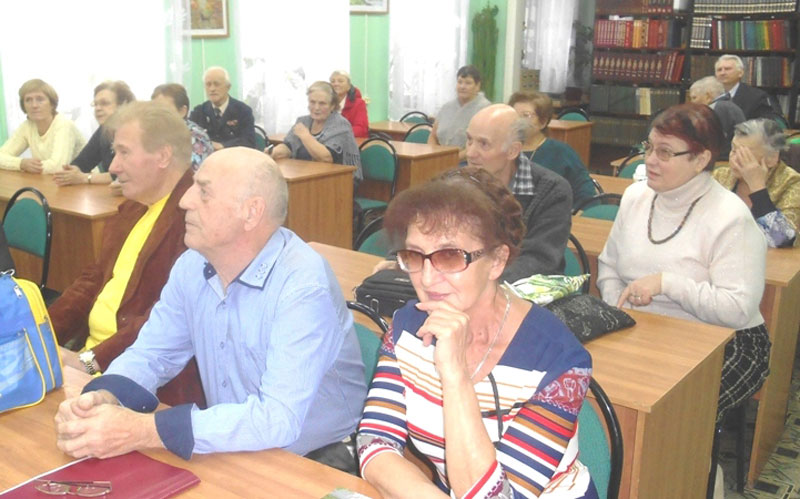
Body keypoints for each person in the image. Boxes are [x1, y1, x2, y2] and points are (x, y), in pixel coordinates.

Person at [54, 147, 367, 467]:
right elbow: (153, 354)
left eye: (203, 192)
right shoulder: (192, 265)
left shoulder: (303, 285)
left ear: (251, 212)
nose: (184, 201)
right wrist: (105, 397)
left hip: (318, 460)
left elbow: (277, 419)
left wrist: (142, 430)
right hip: (234, 444)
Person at [357, 166, 595, 498]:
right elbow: (375, 442)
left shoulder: (559, 360)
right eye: (414, 255)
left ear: (497, 261)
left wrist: (455, 375)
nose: (427, 278)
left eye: (450, 256)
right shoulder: (408, 326)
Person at [598, 103, 770, 423]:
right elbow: (608, 265)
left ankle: (691, 457)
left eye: (665, 152)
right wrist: (616, 307)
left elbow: (738, 309)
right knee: (589, 390)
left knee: (673, 416)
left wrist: (667, 284)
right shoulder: (636, 197)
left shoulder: (730, 217)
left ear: (701, 159)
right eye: (649, 147)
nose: (650, 160)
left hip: (727, 340)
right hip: (643, 329)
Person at [48, 101, 205, 407]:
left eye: (124, 152)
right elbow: (92, 280)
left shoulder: (195, 222)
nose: (113, 166)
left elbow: (165, 323)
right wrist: (40, 338)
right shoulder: (133, 207)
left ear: (163, 156)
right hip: (87, 360)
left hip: (143, 383)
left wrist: (87, 362)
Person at [466, 104, 572, 280]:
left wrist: (480, 282)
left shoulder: (552, 190)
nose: (470, 153)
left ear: (512, 151)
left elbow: (539, 261)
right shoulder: (456, 185)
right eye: (469, 140)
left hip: (521, 290)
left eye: (483, 144)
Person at [713, 118, 800, 247]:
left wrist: (757, 188)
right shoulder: (720, 176)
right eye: (733, 150)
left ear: (772, 158)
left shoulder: (793, 183)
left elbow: (781, 240)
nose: (734, 159)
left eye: (744, 154)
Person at [508, 91, 596, 209]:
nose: (518, 121)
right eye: (514, 115)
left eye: (526, 115)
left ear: (543, 122)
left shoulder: (561, 152)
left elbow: (586, 194)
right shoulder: (502, 150)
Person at [270, 81, 363, 183]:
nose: (316, 108)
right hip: (306, 177)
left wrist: (305, 136)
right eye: (312, 102)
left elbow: (326, 158)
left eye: (322, 103)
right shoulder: (303, 121)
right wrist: (272, 153)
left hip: (340, 181)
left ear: (332, 106)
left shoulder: (340, 124)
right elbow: (288, 146)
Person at [53, 81, 135, 186]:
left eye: (104, 103)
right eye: (95, 104)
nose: (98, 108)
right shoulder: (104, 130)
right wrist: (72, 171)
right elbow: (83, 162)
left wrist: (85, 178)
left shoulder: (134, 132)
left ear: (123, 106)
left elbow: (126, 173)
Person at [0, 79, 85, 174]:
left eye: (40, 99)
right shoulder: (27, 126)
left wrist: (28, 167)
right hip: (49, 179)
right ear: (23, 106)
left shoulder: (64, 125)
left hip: (85, 180)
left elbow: (58, 167)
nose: (34, 105)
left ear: (52, 104)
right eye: (28, 100)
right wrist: (21, 163)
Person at [429, 65, 491, 162]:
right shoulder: (446, 107)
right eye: (460, 82)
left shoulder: (485, 109)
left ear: (477, 86)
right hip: (439, 161)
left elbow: (480, 145)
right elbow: (433, 136)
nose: (462, 86)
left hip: (468, 163)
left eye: (468, 83)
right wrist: (432, 156)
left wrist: (451, 160)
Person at [189, 66, 256, 150]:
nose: (212, 89)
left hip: (233, 156)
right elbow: (189, 139)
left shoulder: (243, 111)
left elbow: (249, 141)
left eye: (216, 84)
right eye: (208, 84)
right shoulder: (199, 111)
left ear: (228, 87)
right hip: (208, 157)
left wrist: (223, 146)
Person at [151, 83, 214, 170]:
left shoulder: (197, 137)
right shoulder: (153, 134)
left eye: (165, 111)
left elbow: (192, 174)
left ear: (182, 111)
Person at [688, 76, 746, 159]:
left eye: (694, 98)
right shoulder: (728, 105)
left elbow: (712, 141)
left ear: (708, 96)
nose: (691, 102)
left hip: (722, 161)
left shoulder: (717, 108)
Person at [715, 54, 783, 122]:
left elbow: (765, 123)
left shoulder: (756, 96)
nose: (722, 73)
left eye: (727, 69)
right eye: (719, 70)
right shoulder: (713, 96)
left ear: (740, 73)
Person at [330, 70, 369, 137]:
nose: (336, 84)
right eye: (332, 81)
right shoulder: (326, 103)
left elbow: (361, 129)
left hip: (350, 140)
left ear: (348, 86)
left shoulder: (359, 104)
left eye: (340, 81)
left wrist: (338, 134)